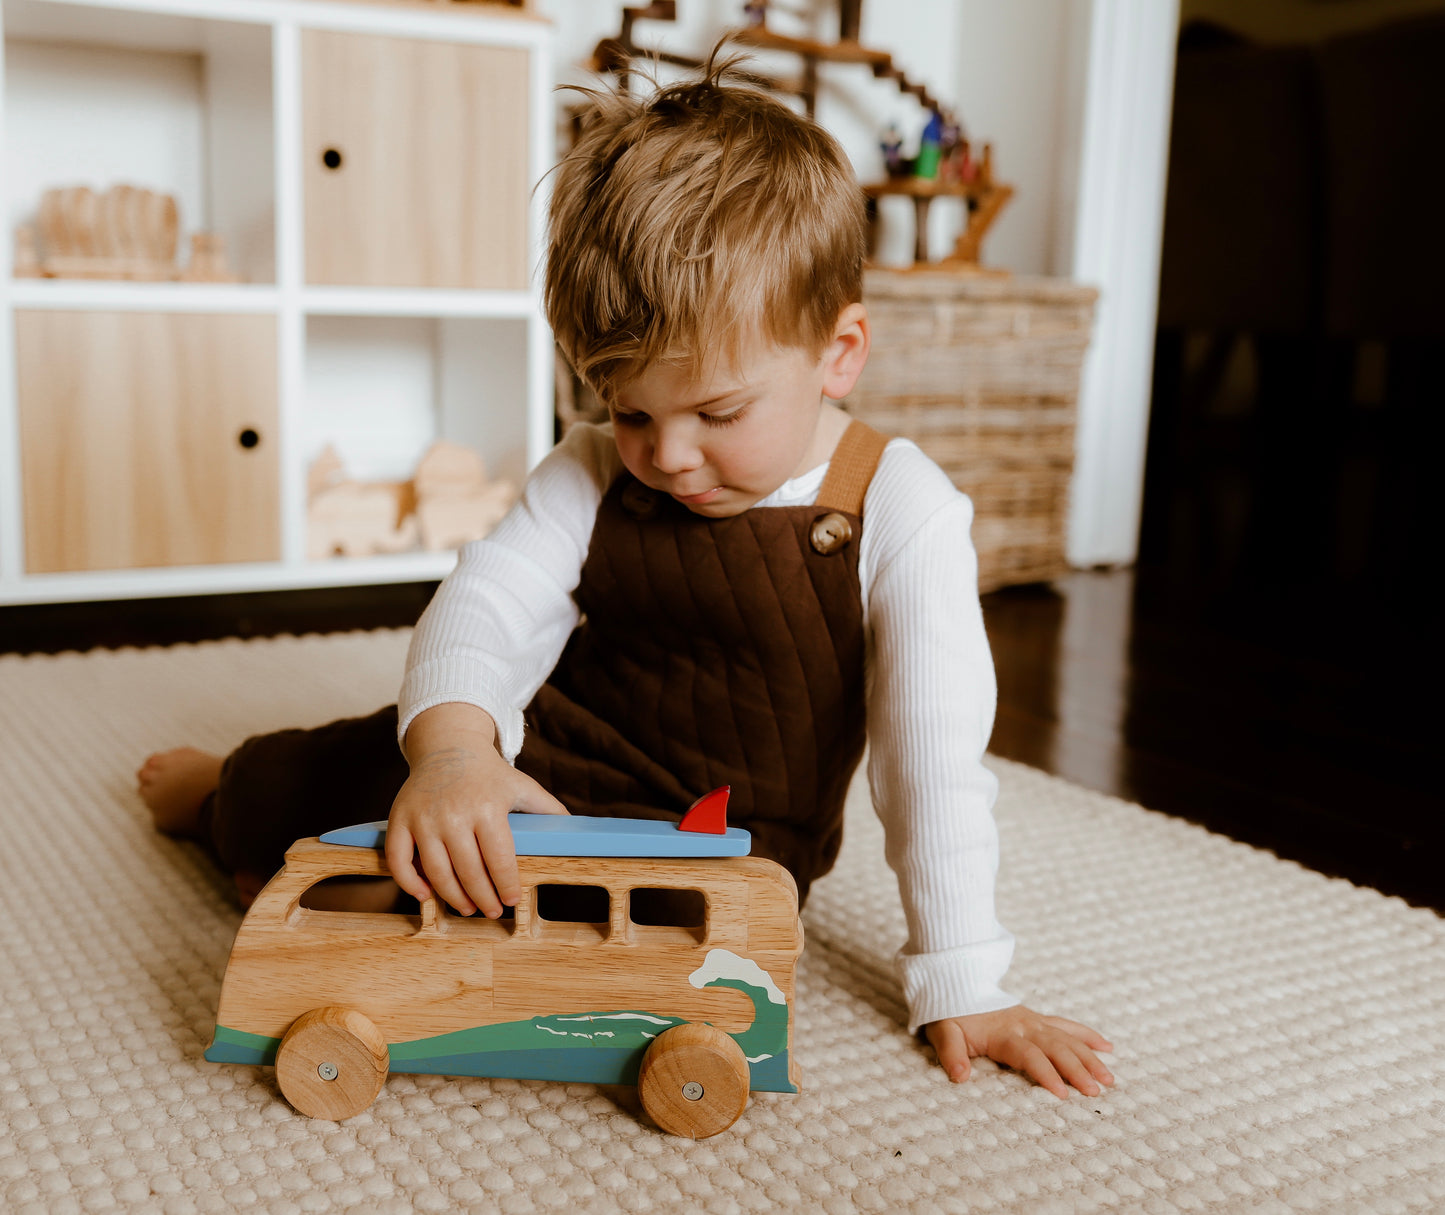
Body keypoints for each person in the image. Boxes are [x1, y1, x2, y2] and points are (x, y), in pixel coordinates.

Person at [138, 56, 1114, 1100]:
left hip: (720, 845)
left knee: (516, 937)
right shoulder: (590, 470)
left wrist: (962, 980)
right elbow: (485, 604)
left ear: (839, 353)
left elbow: (931, 764)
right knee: (340, 778)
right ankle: (223, 798)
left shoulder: (900, 509)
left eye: (718, 414)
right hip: (531, 768)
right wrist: (458, 752)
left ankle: (329, 884)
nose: (670, 453)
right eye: (632, 409)